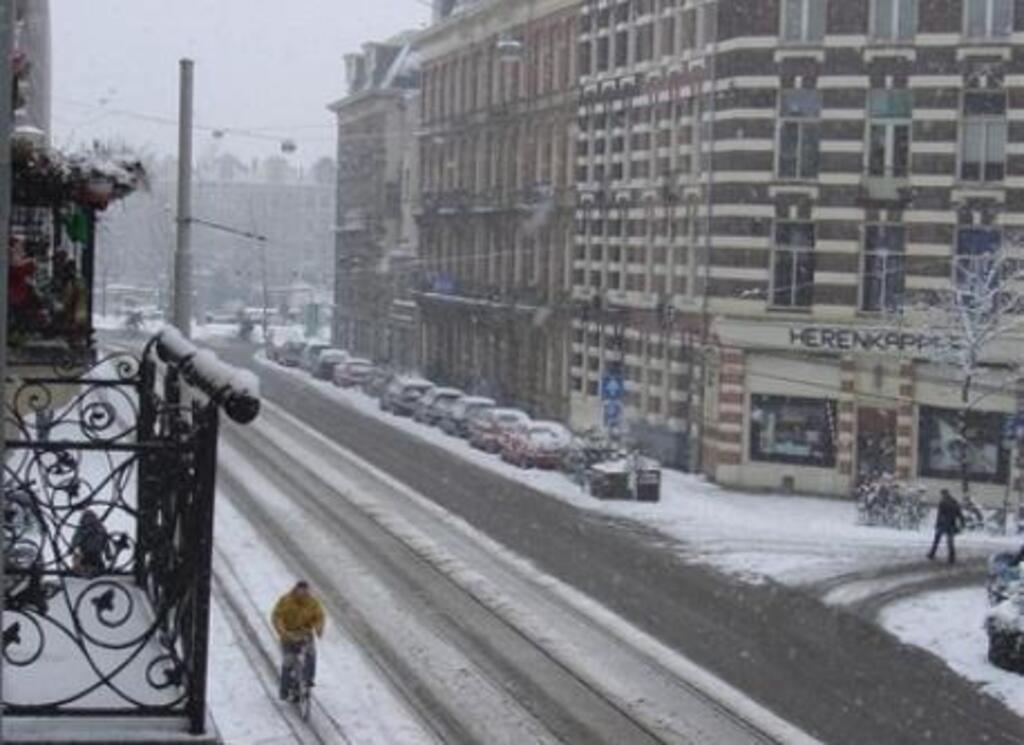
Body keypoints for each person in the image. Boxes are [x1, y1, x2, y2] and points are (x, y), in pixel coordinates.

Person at [271, 580, 325, 702]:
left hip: (305, 634)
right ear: (296, 590)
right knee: (288, 661)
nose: (303, 593)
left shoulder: (313, 603)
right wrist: (283, 631)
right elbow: (277, 616)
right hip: (289, 634)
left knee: (311, 653)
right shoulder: (285, 601)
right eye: (301, 590)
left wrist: (318, 628)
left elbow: (319, 616)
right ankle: (284, 689)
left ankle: (308, 679)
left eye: (305, 591)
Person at [927, 489, 965, 564]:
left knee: (937, 539)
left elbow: (940, 514)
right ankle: (952, 557)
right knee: (950, 542)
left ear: (943, 494)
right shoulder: (954, 502)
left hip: (943, 524)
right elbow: (959, 514)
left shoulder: (942, 502)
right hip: (951, 524)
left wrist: (937, 523)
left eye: (942, 494)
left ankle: (932, 554)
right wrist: (962, 523)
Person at [71, 509, 112, 577]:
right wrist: (108, 554)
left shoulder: (98, 528)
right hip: (90, 554)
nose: (89, 520)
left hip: (92, 555)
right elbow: (75, 540)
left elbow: (106, 542)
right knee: (92, 570)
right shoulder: (83, 529)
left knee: (94, 571)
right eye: (87, 518)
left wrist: (108, 554)